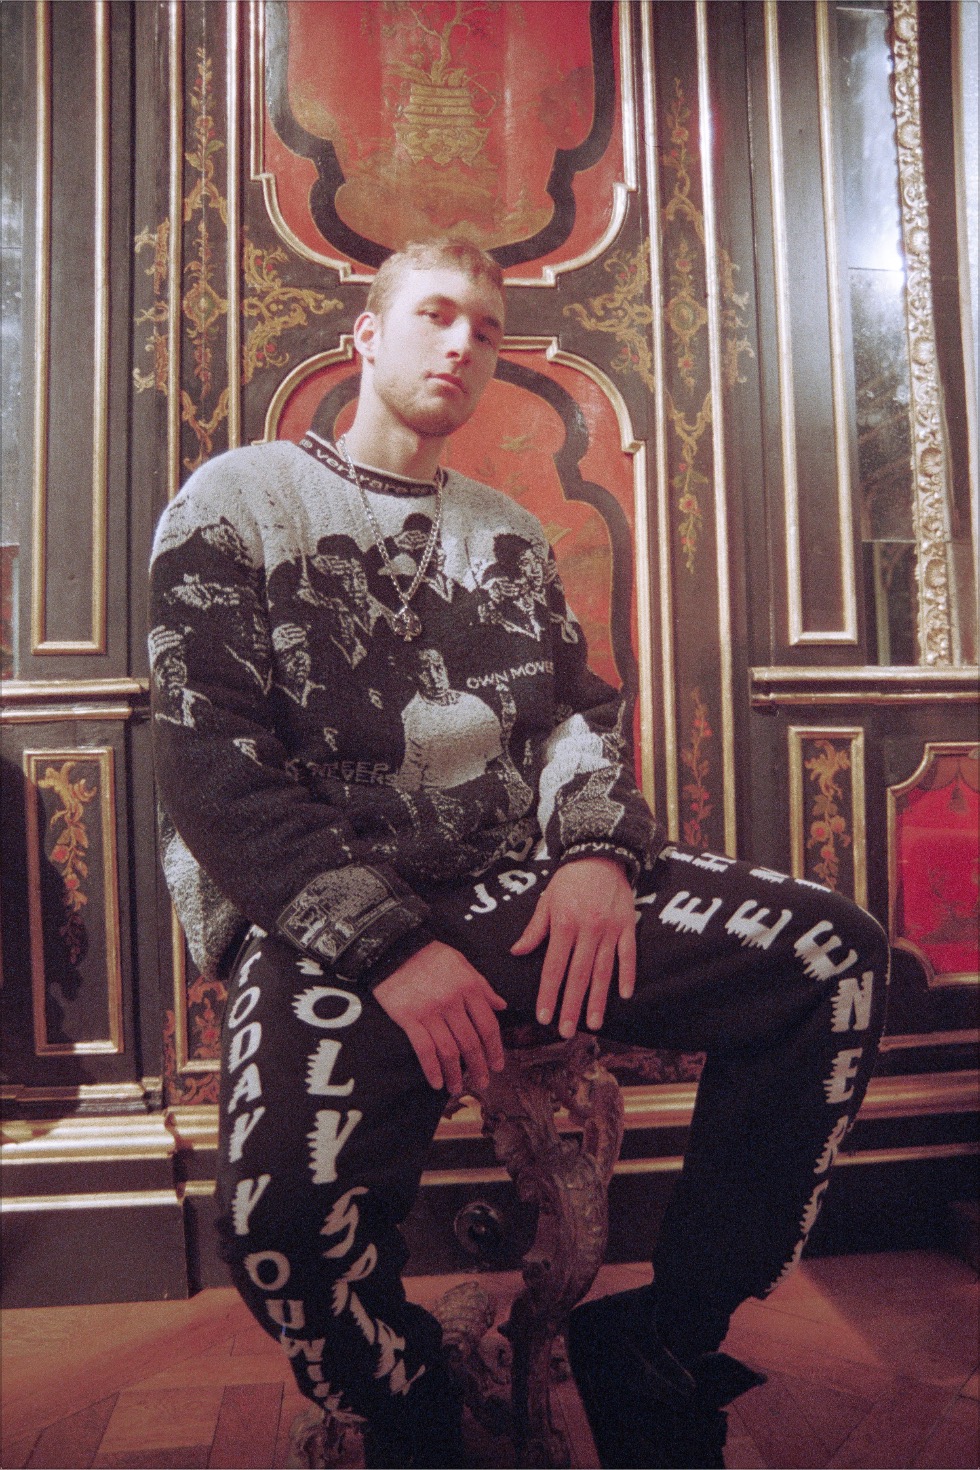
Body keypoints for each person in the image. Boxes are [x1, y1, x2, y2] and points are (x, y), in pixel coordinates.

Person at [149, 237, 889, 1468]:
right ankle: (408, 1401)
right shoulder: (236, 500)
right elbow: (208, 763)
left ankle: (658, 1340)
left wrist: (594, 853)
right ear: (365, 336)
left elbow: (572, 717)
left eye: (485, 330)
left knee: (832, 956)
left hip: (510, 886)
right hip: (324, 919)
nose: (461, 345)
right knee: (277, 1226)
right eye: (435, 315)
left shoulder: (507, 530)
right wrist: (389, 949)